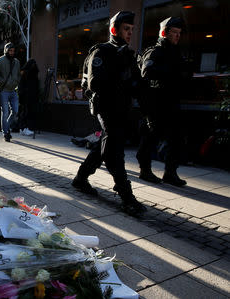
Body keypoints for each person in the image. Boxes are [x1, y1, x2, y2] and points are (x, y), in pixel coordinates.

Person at [71, 11, 146, 215]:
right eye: (126, 29)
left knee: (104, 145)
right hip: (106, 107)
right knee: (114, 151)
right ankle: (126, 196)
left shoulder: (128, 54)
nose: (130, 33)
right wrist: (119, 70)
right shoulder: (102, 51)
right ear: (115, 30)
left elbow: (134, 85)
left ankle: (80, 178)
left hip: (123, 108)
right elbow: (95, 83)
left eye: (131, 29)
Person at [136, 17, 189, 187]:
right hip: (156, 103)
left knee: (176, 139)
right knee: (151, 137)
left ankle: (170, 172)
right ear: (164, 33)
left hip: (172, 102)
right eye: (174, 32)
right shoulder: (156, 51)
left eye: (179, 33)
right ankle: (145, 171)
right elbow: (147, 72)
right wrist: (171, 72)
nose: (177, 36)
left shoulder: (176, 52)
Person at [0, 43, 21, 142]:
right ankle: (6, 133)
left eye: (13, 51)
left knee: (15, 111)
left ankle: (6, 127)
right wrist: (3, 81)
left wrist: (16, 81)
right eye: (9, 51)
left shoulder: (16, 62)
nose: (11, 52)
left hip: (13, 90)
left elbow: (18, 74)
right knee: (5, 112)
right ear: (6, 50)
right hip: (3, 90)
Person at [18, 59, 39, 136]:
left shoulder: (27, 73)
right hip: (27, 96)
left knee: (26, 112)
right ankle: (24, 128)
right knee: (26, 112)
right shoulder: (27, 74)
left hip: (29, 96)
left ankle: (23, 128)